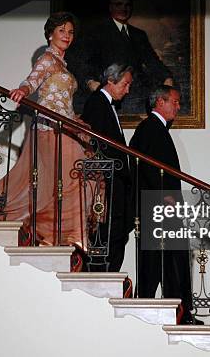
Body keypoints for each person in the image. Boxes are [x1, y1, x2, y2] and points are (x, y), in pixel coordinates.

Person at [0, 12, 92, 256]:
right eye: (61, 31)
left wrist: (77, 121)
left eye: (70, 32)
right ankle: (64, 234)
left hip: (65, 127)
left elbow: (61, 101)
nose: (67, 35)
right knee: (74, 176)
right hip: (50, 130)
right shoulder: (47, 59)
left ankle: (63, 234)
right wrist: (22, 91)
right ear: (50, 34)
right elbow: (32, 80)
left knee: (73, 178)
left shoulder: (63, 64)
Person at [129, 85, 201, 325]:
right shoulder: (151, 128)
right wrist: (166, 197)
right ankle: (176, 312)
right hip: (159, 207)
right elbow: (149, 168)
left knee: (166, 260)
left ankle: (178, 311)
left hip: (159, 206)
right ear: (160, 101)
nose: (178, 107)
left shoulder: (154, 128)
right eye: (175, 102)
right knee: (162, 261)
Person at [67, 0, 173, 114]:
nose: (124, 8)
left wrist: (166, 77)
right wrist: (90, 81)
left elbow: (152, 61)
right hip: (109, 92)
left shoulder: (139, 35)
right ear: (110, 7)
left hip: (136, 94)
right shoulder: (97, 32)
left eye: (127, 5)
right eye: (119, 4)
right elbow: (82, 62)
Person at [81, 63, 134, 272]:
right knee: (108, 231)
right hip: (107, 180)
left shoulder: (108, 104)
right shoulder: (96, 103)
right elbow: (96, 144)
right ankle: (103, 275)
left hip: (116, 178)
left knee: (119, 232)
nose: (128, 90)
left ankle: (112, 273)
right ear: (111, 81)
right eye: (125, 84)